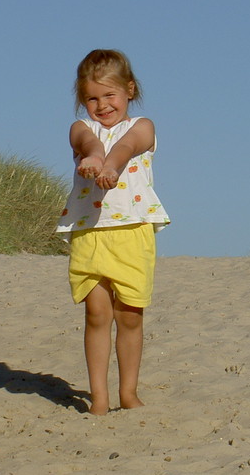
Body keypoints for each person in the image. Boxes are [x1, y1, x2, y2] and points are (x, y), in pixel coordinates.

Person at [56, 49, 170, 415]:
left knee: (130, 316)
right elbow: (87, 143)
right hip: (91, 232)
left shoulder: (143, 126)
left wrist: (112, 164)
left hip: (133, 231)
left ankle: (129, 393)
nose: (102, 105)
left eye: (110, 95)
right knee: (97, 315)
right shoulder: (81, 129)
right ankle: (99, 398)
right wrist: (92, 157)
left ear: (129, 90)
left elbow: (126, 146)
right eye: (91, 97)